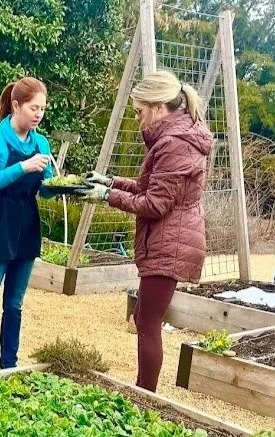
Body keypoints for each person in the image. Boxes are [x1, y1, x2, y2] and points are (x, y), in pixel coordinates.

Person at [78, 70, 213, 392]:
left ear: (158, 106)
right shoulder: (175, 138)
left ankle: (145, 395)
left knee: (148, 322)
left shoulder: (175, 143)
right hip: (171, 237)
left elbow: (155, 204)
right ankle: (144, 389)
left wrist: (107, 196)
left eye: (139, 111)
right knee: (144, 318)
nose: (138, 118)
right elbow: (149, 186)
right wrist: (110, 182)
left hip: (172, 241)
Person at [0, 77, 56, 374]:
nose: (39, 114)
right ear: (16, 105)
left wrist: (61, 186)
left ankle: (8, 367)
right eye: (34, 108)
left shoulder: (41, 142)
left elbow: (46, 187)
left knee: (14, 303)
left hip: (26, 227)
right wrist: (22, 167)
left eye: (42, 108)